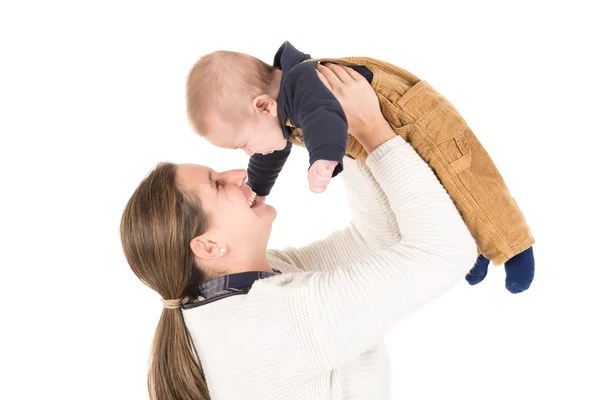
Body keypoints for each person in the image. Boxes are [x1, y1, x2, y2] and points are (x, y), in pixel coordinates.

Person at [120, 64, 477, 400]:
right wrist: (373, 131)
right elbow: (447, 252)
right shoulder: (276, 321)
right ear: (209, 245)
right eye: (217, 184)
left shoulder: (252, 284)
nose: (239, 174)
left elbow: (375, 242)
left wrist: (335, 130)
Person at [185, 41, 535, 294]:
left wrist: (323, 158)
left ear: (263, 107)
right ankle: (478, 248)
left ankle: (514, 246)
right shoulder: (281, 109)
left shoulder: (303, 83)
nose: (248, 153)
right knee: (432, 192)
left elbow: (324, 118)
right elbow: (270, 153)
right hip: (382, 131)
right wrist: (257, 188)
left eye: (244, 144)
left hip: (412, 117)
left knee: (463, 177)